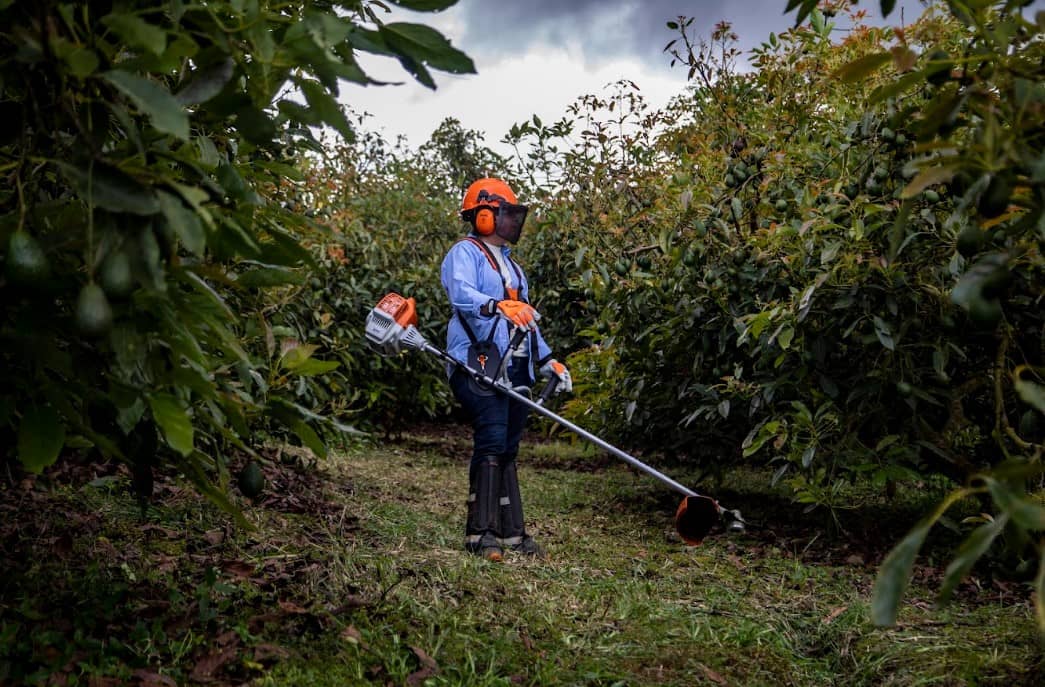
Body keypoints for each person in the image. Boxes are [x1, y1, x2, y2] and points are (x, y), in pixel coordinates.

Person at [440, 177, 572, 562]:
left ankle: (513, 534)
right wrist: (496, 305)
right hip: (476, 361)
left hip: (513, 367)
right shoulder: (464, 253)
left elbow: (527, 318)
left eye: (515, 214)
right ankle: (481, 534)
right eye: (505, 213)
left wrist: (547, 360)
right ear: (483, 215)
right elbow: (460, 293)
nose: (512, 221)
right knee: (493, 438)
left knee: (509, 447)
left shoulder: (513, 267)